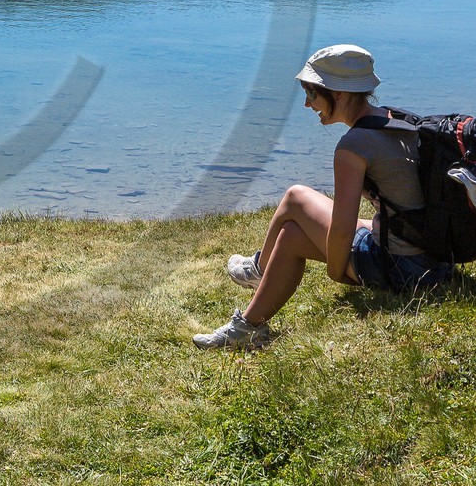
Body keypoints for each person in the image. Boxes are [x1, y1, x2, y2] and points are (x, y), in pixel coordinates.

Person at [193, 44, 452, 350]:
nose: (307, 103)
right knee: (290, 233)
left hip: (401, 269)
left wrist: (337, 271)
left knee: (295, 198)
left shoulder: (353, 146)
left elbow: (342, 230)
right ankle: (252, 313)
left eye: (313, 93)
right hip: (433, 263)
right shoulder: (397, 120)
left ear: (339, 94)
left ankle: (256, 287)